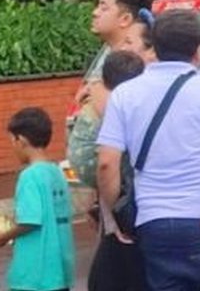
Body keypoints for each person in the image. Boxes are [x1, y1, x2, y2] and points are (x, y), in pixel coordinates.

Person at [96, 9, 200, 291]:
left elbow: (106, 163)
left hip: (153, 222)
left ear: (154, 48)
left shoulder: (125, 95)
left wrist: (111, 215)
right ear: (198, 51)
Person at [0, 108, 74, 291]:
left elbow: (30, 221)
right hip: (60, 270)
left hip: (34, 275)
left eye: (12, 141)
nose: (12, 147)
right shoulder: (56, 172)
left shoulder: (29, 176)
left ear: (21, 140)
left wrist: (2, 237)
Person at [86, 50, 148, 291]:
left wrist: (113, 213)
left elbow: (106, 163)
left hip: (125, 216)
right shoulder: (151, 104)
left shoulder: (114, 108)